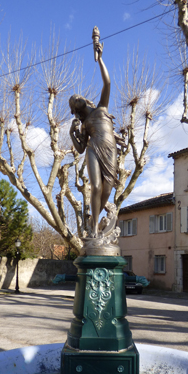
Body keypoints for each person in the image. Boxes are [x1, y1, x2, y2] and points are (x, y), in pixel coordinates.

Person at [69, 41, 118, 238]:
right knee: (96, 187)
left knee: (108, 189)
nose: (77, 98)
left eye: (77, 97)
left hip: (110, 149)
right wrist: (72, 134)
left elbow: (107, 83)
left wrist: (100, 59)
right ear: (76, 110)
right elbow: (80, 149)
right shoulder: (84, 123)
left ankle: (95, 224)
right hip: (92, 149)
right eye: (74, 101)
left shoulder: (102, 109)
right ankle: (95, 229)